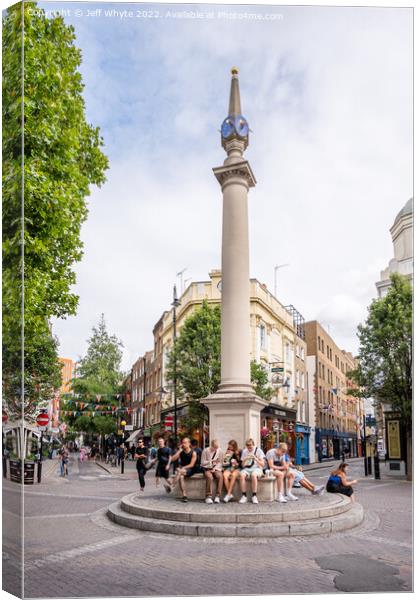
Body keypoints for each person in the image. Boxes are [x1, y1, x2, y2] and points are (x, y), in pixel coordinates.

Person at [164, 437, 197, 502]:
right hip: (182, 471)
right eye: (182, 443)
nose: (183, 444)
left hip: (191, 469)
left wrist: (182, 468)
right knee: (181, 477)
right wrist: (179, 451)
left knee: (179, 471)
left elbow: (192, 465)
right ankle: (184, 496)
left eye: (185, 443)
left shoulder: (193, 452)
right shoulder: (181, 452)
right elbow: (172, 459)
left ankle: (171, 486)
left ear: (189, 443)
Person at [239, 438, 266, 504]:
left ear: (253, 445)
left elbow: (262, 464)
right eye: (247, 446)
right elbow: (242, 466)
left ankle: (254, 496)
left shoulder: (258, 450)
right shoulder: (245, 451)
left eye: (250, 446)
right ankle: (244, 495)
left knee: (254, 475)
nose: (249, 448)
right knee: (242, 475)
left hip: (257, 468)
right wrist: (245, 459)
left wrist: (255, 458)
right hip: (247, 469)